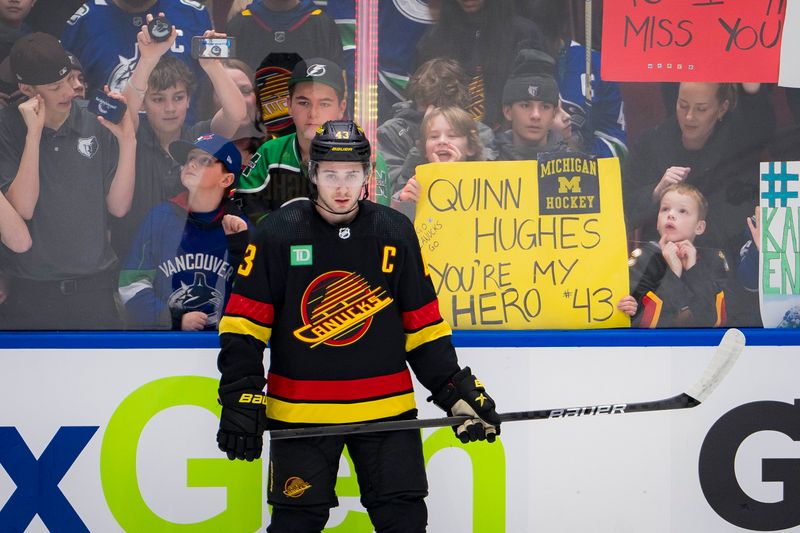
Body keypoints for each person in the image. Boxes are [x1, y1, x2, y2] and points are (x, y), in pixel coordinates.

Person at [216, 119, 501, 532]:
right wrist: (240, 394)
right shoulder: (277, 234)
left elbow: (423, 328)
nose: (342, 187)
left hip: (387, 414)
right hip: (300, 414)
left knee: (404, 521)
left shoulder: (394, 230)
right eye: (331, 175)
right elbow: (244, 325)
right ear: (313, 175)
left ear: (368, 175)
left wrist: (454, 389)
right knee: (295, 524)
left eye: (352, 174)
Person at [0, 32, 136, 329]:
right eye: (54, 87)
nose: (69, 92)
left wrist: (128, 142)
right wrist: (33, 134)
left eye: (69, 81)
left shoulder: (95, 117)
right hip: (31, 291)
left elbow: (119, 206)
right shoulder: (7, 126)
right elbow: (23, 208)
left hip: (94, 288)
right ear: (25, 88)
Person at [111, 19, 247, 260]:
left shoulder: (200, 136)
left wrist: (212, 65)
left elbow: (236, 113)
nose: (170, 108)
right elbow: (125, 114)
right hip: (135, 260)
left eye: (178, 97)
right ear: (144, 102)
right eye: (158, 99)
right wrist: (148, 59)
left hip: (189, 260)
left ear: (188, 100)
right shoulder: (131, 136)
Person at [119, 133, 249, 330]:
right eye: (190, 159)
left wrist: (240, 247)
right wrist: (171, 318)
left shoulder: (241, 227)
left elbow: (258, 292)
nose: (192, 165)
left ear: (227, 179)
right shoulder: (159, 218)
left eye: (205, 160)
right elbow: (130, 284)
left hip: (225, 344)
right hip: (168, 343)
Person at [235, 56, 346, 222]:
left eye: (324, 104)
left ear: (341, 108)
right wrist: (282, 233)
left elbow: (374, 219)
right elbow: (244, 204)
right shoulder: (270, 152)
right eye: (304, 103)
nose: (313, 114)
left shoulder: (363, 156)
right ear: (289, 105)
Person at [414, 0, 544, 129]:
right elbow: (423, 94)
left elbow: (538, 92)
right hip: (451, 135)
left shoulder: (524, 34)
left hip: (509, 136)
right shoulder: (436, 37)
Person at [377, 57, 495, 197]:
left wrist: (458, 169)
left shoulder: (479, 132)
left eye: (445, 110)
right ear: (417, 101)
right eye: (429, 107)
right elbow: (387, 195)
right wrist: (422, 141)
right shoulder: (391, 133)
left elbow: (489, 191)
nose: (437, 118)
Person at [617, 183, 729, 328]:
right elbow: (646, 322)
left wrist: (693, 270)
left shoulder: (713, 261)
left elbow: (710, 320)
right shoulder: (643, 259)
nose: (670, 215)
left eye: (682, 211)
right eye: (664, 209)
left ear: (699, 227)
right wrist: (672, 272)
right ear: (657, 221)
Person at [60, 0, 211, 102]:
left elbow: (210, 92)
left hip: (184, 142)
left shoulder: (194, 15)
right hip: (108, 142)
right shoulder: (82, 23)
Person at [393, 105, 486, 219]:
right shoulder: (413, 188)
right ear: (425, 150)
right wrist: (405, 206)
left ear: (471, 147)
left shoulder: (486, 191)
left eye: (452, 135)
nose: (441, 141)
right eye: (434, 136)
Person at [226, 0, 343, 74]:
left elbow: (334, 80)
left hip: (309, 109)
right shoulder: (239, 25)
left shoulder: (322, 24)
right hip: (253, 110)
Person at [494, 49, 568, 161]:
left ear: (553, 116)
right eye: (525, 105)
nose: (536, 115)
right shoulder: (486, 162)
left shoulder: (574, 166)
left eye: (545, 107)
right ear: (508, 112)